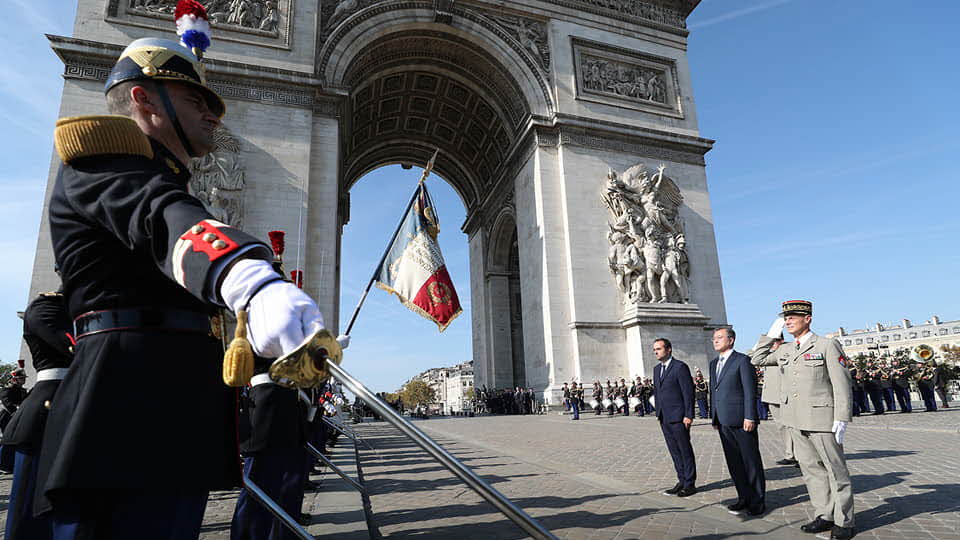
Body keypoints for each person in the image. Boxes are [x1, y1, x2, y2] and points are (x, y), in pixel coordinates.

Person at [36, 34, 346, 538]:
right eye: (195, 100)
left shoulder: (164, 178)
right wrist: (247, 279)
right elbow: (164, 220)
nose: (214, 115)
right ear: (144, 98)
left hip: (168, 410)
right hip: (123, 414)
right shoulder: (102, 164)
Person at [749, 300, 854, 540]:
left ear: (808, 318)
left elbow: (841, 383)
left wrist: (842, 416)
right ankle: (824, 514)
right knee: (810, 471)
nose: (788, 320)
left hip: (822, 419)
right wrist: (771, 333)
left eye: (793, 316)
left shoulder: (827, 345)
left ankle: (844, 521)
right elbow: (757, 358)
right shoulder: (786, 349)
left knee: (835, 471)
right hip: (794, 419)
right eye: (785, 317)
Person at [4, 289, 74, 540]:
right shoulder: (48, 306)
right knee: (31, 514)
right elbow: (78, 349)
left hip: (86, 404)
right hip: (49, 410)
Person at [710, 328, 765, 516]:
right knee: (734, 462)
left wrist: (750, 416)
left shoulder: (742, 360)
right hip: (723, 420)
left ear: (731, 340)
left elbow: (750, 391)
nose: (715, 341)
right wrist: (714, 416)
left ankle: (757, 500)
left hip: (742, 421)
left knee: (750, 462)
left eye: (719, 338)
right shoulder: (713, 363)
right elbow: (714, 392)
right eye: (714, 338)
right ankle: (743, 497)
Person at [652, 338, 696, 497]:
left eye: (659, 348)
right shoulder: (657, 369)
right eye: (654, 349)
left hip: (679, 417)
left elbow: (688, 392)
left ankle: (690, 483)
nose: (656, 352)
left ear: (669, 349)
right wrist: (658, 412)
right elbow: (658, 392)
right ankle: (681, 480)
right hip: (664, 417)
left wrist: (688, 415)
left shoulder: (680, 367)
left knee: (685, 450)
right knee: (674, 451)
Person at [755, 342, 797, 467]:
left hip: (785, 395)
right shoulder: (768, 354)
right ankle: (790, 454)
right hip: (772, 396)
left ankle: (801, 455)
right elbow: (753, 357)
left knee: (794, 427)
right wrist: (763, 343)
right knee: (782, 427)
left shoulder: (787, 350)